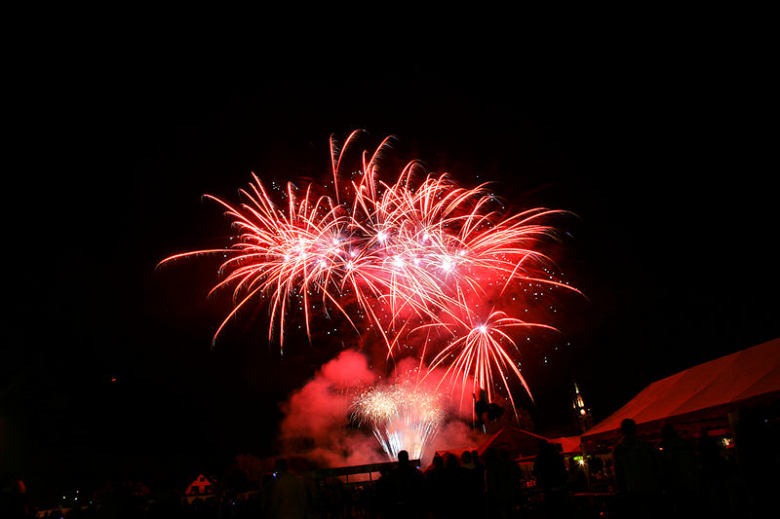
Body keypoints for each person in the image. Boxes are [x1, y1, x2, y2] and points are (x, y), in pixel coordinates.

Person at [612, 418, 660, 519]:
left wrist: (621, 490)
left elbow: (618, 473)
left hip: (632, 490)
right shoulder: (645, 446)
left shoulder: (619, 449)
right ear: (635, 429)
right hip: (650, 487)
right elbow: (655, 466)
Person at [385, 450, 426, 518]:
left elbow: (389, 489)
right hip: (414, 505)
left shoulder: (394, 473)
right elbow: (422, 487)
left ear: (399, 459)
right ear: (407, 458)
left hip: (400, 505)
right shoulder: (415, 472)